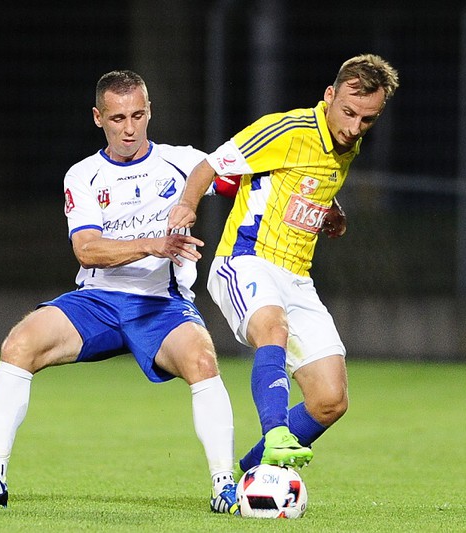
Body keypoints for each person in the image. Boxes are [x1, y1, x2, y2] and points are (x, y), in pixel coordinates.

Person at [0, 70, 242, 514]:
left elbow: (246, 182)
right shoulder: (83, 175)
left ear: (150, 112)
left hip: (162, 304)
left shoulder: (185, 162)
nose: (129, 129)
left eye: (138, 115)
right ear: (97, 117)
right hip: (98, 301)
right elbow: (87, 251)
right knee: (19, 344)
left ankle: (225, 485)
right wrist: (154, 244)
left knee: (203, 361)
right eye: (117, 118)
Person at [168, 54, 399, 476]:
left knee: (330, 400)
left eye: (367, 119)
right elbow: (211, 165)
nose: (353, 127)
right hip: (245, 259)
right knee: (272, 327)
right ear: (329, 96)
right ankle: (276, 434)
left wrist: (333, 211)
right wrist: (186, 205)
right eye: (347, 112)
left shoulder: (349, 142)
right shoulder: (288, 130)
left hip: (297, 277)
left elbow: (303, 184)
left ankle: (249, 474)